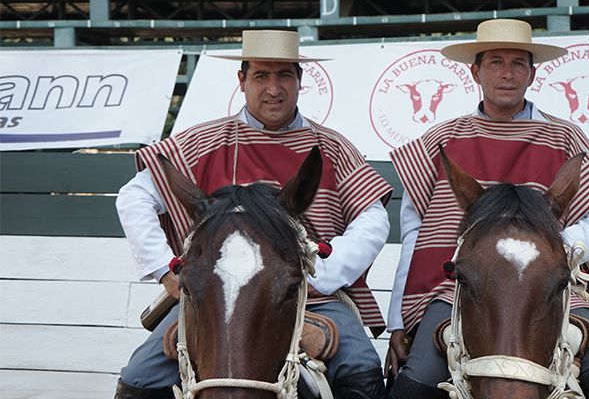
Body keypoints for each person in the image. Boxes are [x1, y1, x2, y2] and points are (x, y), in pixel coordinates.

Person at [115, 29, 392, 399]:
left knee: (361, 370)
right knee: (139, 379)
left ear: (300, 80)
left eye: (284, 75)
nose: (273, 88)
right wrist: (165, 269)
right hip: (217, 297)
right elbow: (133, 198)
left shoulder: (333, 147)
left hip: (311, 296)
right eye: (261, 75)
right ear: (242, 80)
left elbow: (373, 217)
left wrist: (324, 272)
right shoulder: (203, 142)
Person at [385, 19, 589, 399]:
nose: (507, 73)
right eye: (495, 62)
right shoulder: (440, 140)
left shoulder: (566, 137)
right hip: (458, 289)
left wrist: (544, 249)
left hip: (548, 286)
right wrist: (399, 321)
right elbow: (415, 234)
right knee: (416, 384)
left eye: (518, 64)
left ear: (532, 73)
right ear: (475, 71)